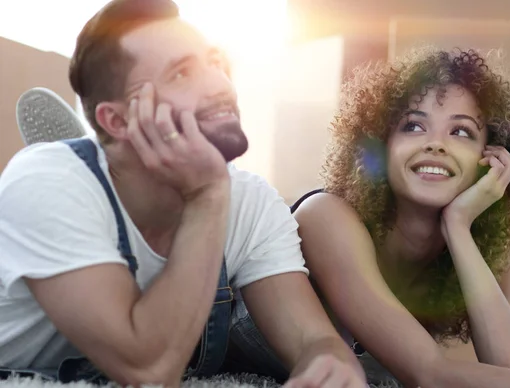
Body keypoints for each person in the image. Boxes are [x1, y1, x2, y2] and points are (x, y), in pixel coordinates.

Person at [0, 0, 367, 387]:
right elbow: (149, 372)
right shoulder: (44, 181)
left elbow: (313, 339)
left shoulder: (250, 199)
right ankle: (84, 161)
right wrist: (206, 196)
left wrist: (330, 363)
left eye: (214, 63)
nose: (220, 86)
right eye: (180, 74)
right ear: (118, 119)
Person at [230, 46, 510, 388]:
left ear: (488, 160)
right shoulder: (326, 217)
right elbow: (428, 373)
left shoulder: (497, 269)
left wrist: (458, 228)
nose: (435, 143)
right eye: (414, 126)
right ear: (381, 146)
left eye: (461, 131)